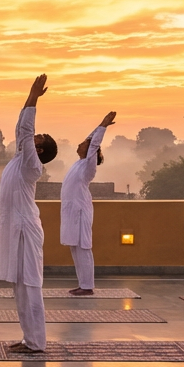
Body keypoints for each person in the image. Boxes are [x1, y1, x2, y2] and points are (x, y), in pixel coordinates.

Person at [0, 74, 58, 353]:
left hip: (26, 230)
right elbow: (20, 128)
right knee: (19, 288)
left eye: (39, 137)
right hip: (16, 229)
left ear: (39, 149)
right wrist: (28, 99)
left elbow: (24, 129)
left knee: (30, 285)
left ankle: (37, 342)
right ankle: (29, 338)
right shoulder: (19, 159)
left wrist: (33, 97)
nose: (34, 135)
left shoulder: (32, 166)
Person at [60, 111, 118, 296]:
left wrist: (103, 126)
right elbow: (90, 139)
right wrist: (99, 126)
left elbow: (93, 143)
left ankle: (87, 286)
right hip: (71, 212)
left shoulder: (88, 166)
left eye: (83, 144)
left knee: (83, 248)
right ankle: (82, 283)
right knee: (75, 248)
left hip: (80, 211)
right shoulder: (78, 163)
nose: (80, 144)